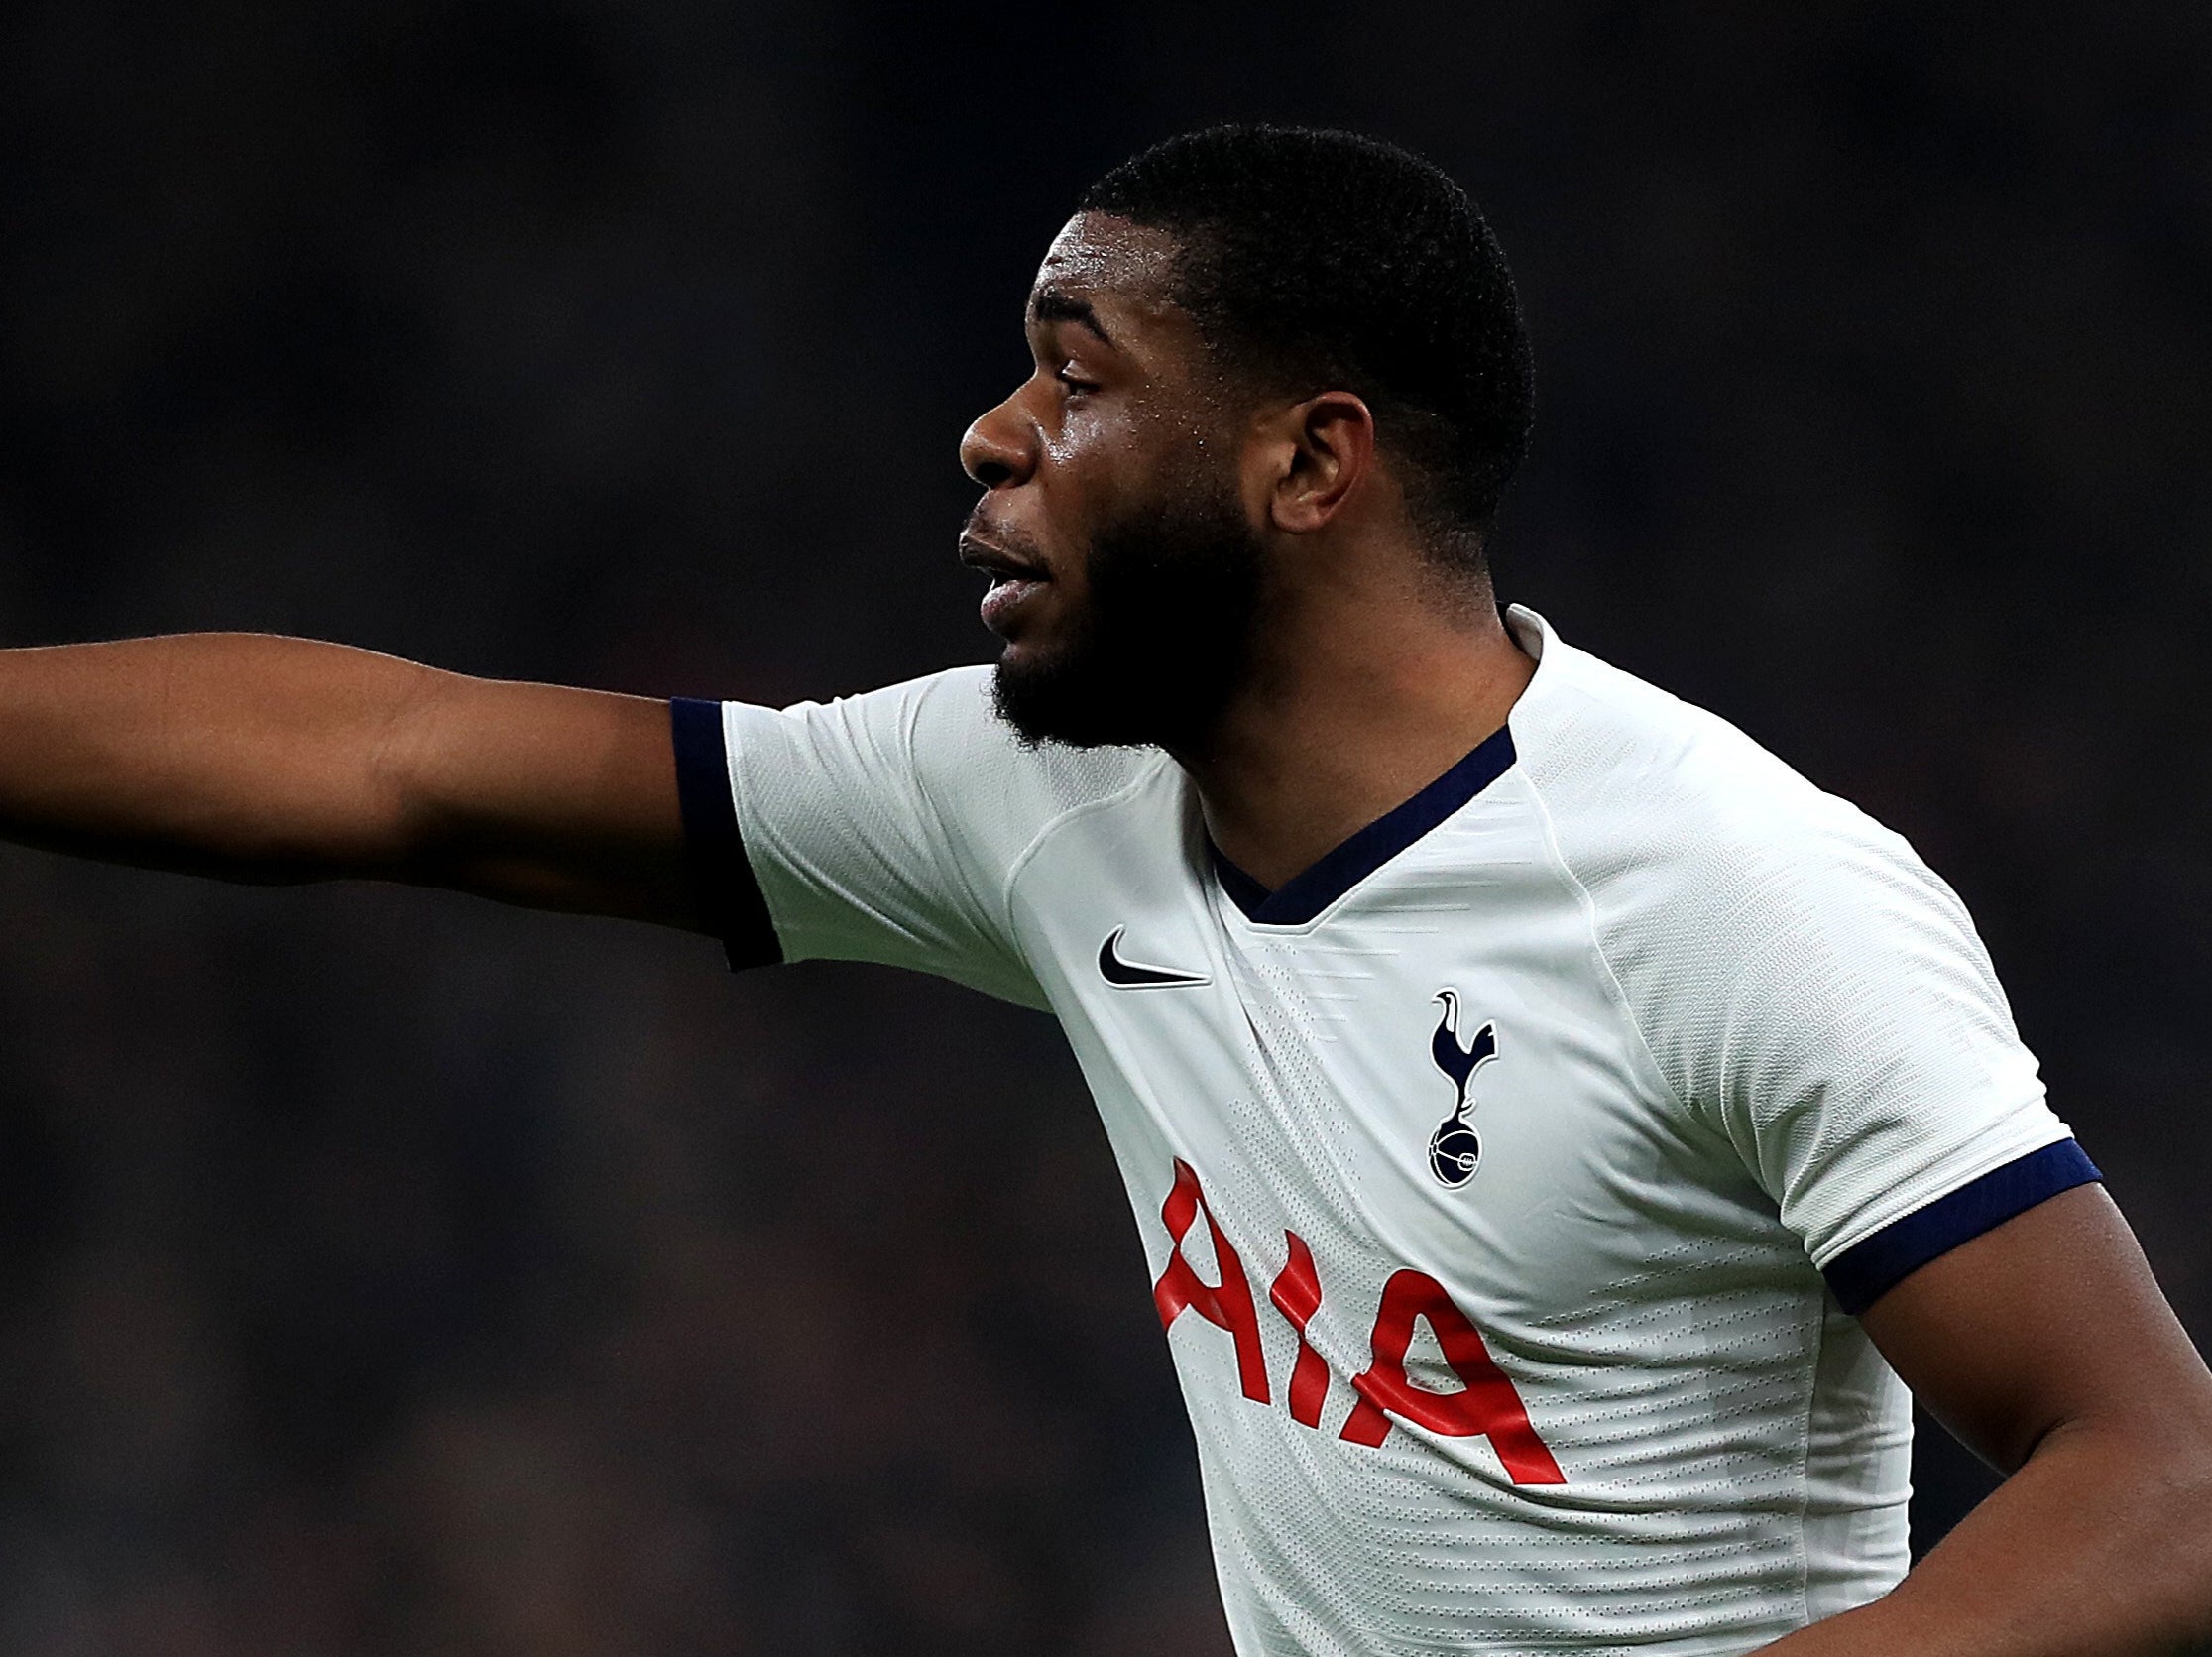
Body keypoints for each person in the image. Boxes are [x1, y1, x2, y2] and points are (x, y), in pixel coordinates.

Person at [1, 123, 2207, 1656]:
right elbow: (402, 765)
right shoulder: (1048, 798)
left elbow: (2165, 1484)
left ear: (1311, 458)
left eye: (1074, 368)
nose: (989, 429)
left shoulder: (1729, 893)